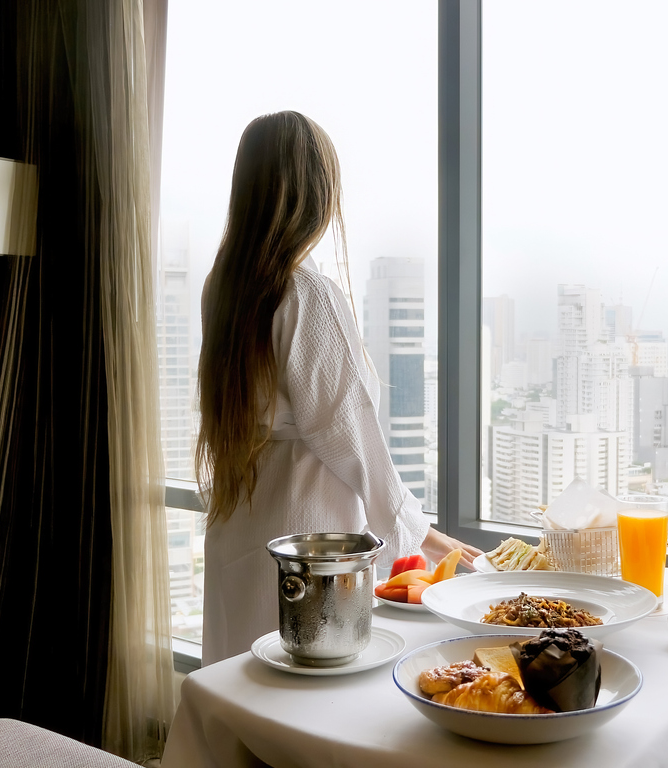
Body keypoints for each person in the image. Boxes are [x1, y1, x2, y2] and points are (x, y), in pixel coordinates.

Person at [196, 111, 481, 665]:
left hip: (241, 530)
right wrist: (426, 536)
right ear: (313, 193)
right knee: (302, 704)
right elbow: (353, 439)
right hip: (307, 543)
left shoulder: (223, 287)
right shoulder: (306, 294)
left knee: (241, 693)